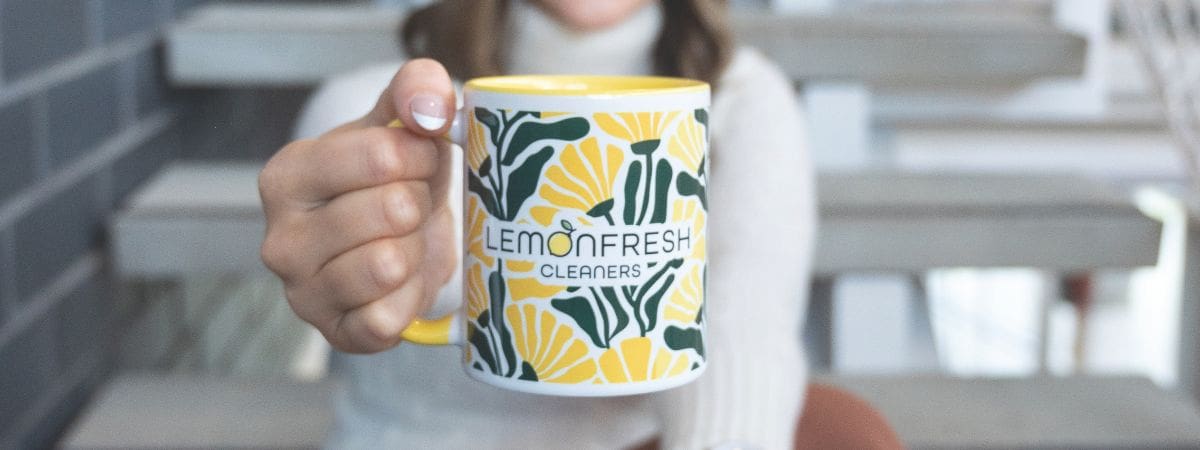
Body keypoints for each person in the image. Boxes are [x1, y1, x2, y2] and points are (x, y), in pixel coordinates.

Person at [259, 0, 900, 448]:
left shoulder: (742, 101)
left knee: (840, 429)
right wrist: (391, 261)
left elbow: (739, 329)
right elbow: (429, 261)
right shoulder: (391, 110)